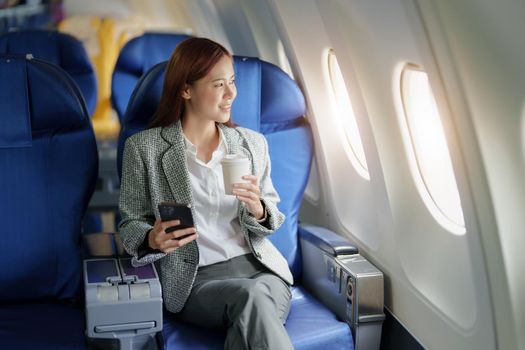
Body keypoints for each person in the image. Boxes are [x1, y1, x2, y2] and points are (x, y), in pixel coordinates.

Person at [118, 37, 294, 350]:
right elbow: (129, 222)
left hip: (262, 270)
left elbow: (274, 216)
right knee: (251, 300)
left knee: (254, 303)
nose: (232, 94)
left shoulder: (252, 144)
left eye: (233, 82)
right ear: (186, 90)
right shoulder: (145, 149)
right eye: (218, 85)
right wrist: (150, 239)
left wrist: (258, 209)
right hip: (195, 278)